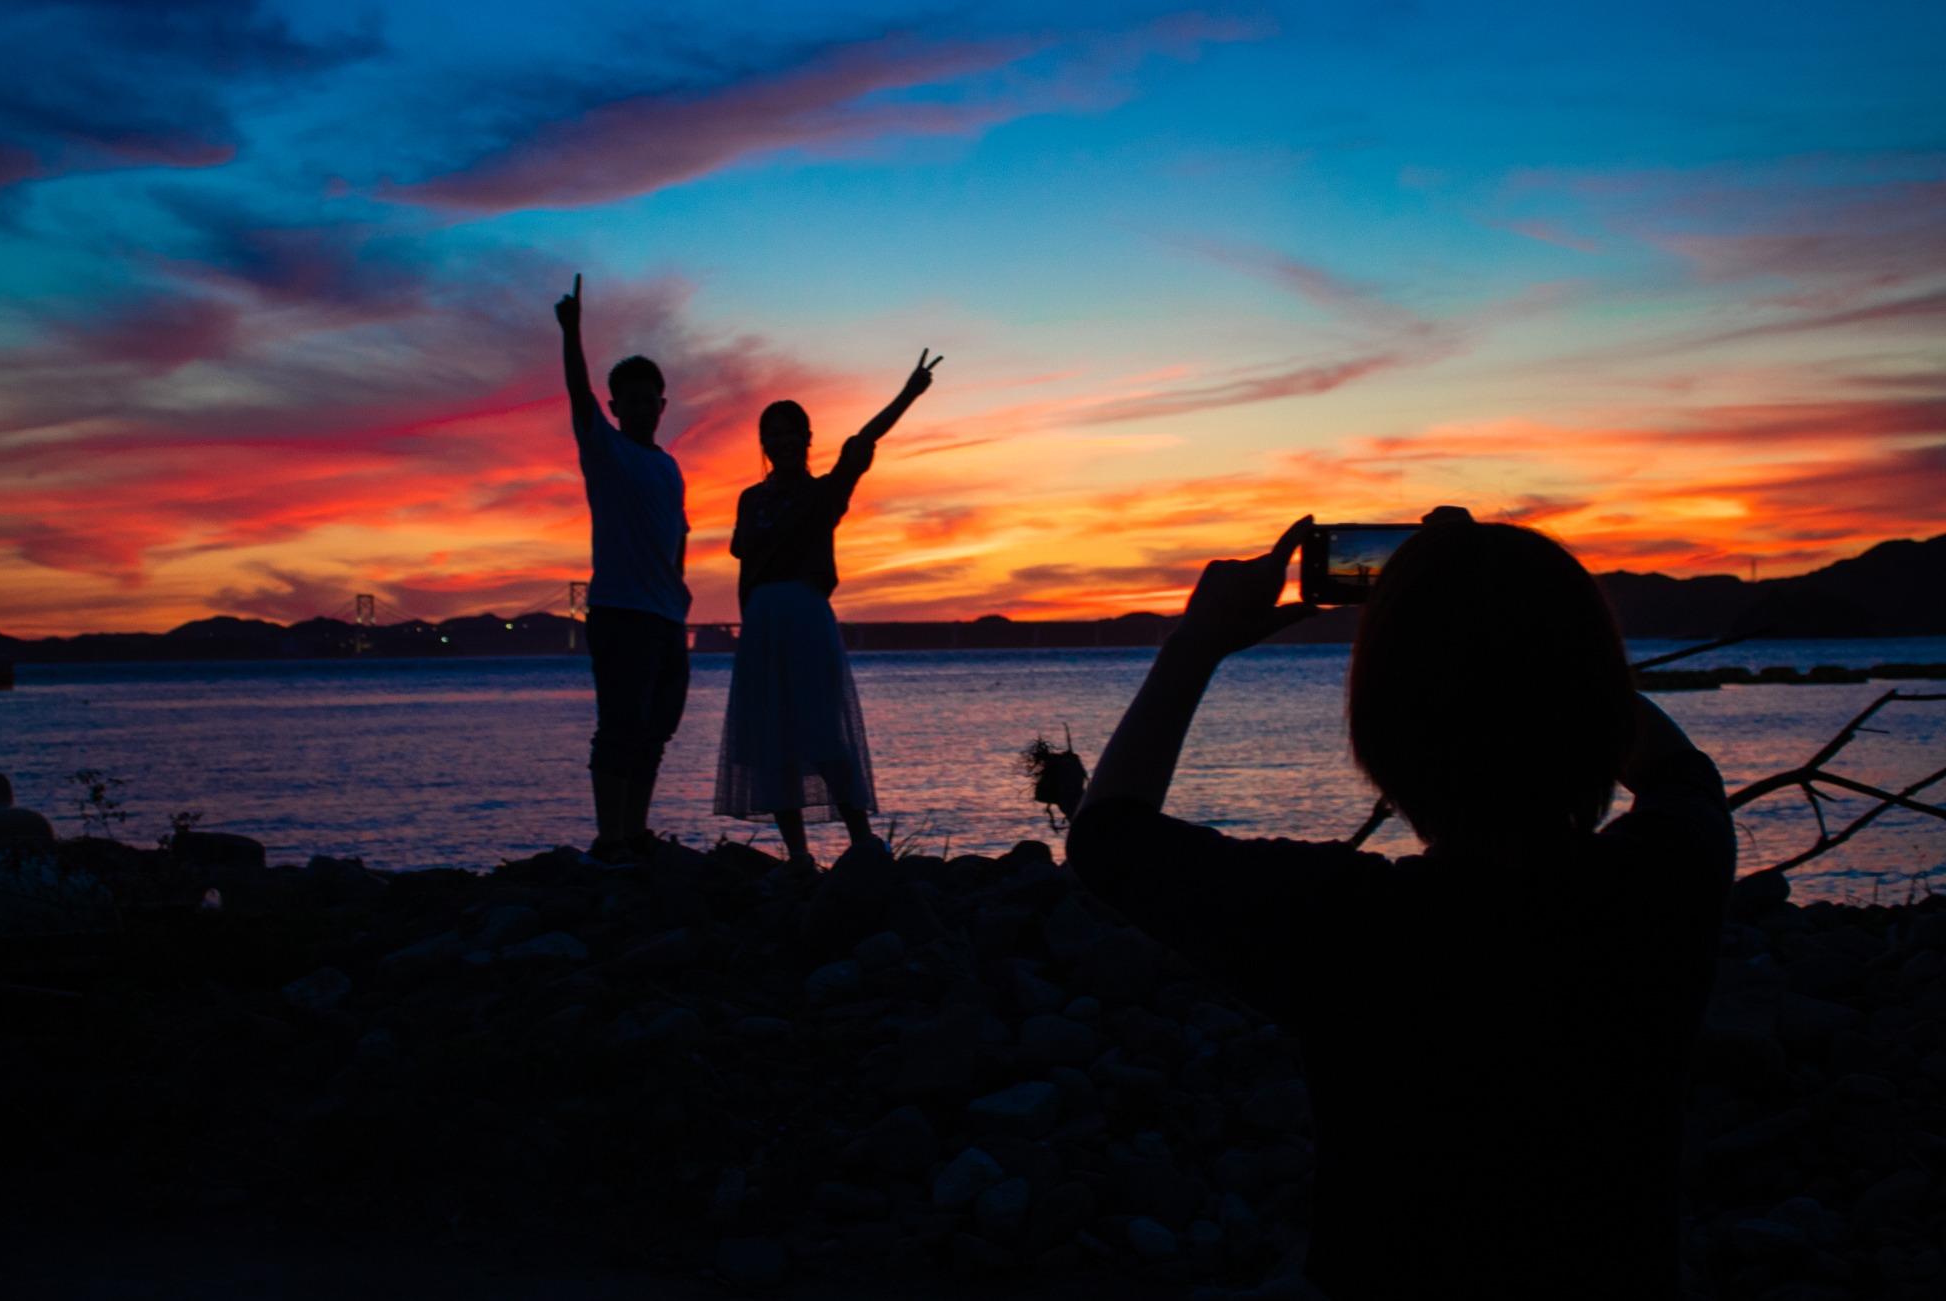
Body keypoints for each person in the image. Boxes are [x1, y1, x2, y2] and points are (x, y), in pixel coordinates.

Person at [1067, 512, 1735, 1300]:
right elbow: (1678, 770)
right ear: (1597, 704)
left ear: (1378, 735)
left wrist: (1198, 643)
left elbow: (1107, 837)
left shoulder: (1348, 926)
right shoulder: (1666, 879)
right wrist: (1518, 624)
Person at [715, 349, 944, 867]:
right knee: (771, 739)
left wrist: (908, 393)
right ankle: (798, 855)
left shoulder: (825, 494)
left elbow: (864, 441)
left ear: (806, 438)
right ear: (764, 444)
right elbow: (745, 566)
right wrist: (749, 619)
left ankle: (861, 842)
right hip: (761, 622)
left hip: (805, 613)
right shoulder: (750, 499)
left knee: (822, 730)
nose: (781, 441)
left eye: (791, 431)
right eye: (771, 434)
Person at [556, 273, 691, 857]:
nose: (641, 408)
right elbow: (577, 394)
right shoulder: (604, 449)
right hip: (619, 610)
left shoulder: (670, 466)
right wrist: (572, 333)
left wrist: (680, 597)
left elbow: (677, 536)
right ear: (615, 407)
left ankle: (635, 832)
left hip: (665, 616)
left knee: (655, 730)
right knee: (618, 728)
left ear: (662, 405)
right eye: (628, 400)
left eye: (649, 399)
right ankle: (611, 838)